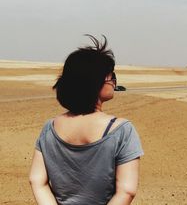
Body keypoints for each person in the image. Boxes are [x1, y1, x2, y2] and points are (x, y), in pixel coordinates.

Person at [29, 35, 143, 205]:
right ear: (96, 82)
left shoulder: (49, 127)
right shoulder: (122, 130)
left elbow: (37, 181)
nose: (113, 82)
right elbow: (127, 191)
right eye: (111, 76)